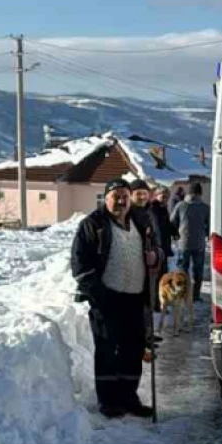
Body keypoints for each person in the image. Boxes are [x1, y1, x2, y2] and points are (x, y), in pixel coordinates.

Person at [71, 179, 153, 419]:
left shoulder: (140, 220)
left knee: (133, 349)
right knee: (108, 350)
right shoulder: (92, 224)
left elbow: (155, 251)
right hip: (106, 299)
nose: (120, 201)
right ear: (105, 198)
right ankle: (109, 401)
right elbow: (80, 264)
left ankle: (129, 398)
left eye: (124, 196)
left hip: (135, 298)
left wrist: (155, 256)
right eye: (115, 196)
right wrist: (98, 294)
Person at [171, 181, 211, 302]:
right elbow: (209, 225)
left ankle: (183, 295)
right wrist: (207, 235)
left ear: (188, 192)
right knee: (198, 271)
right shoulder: (205, 207)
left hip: (183, 243)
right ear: (200, 193)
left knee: (183, 269)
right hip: (199, 243)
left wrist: (176, 234)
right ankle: (195, 296)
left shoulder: (180, 205)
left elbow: (172, 221)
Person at [129, 180, 164, 318]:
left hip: (150, 266)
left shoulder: (148, 212)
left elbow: (155, 236)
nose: (142, 197)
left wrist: (158, 253)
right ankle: (139, 336)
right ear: (130, 195)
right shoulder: (128, 214)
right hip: (134, 268)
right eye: (138, 194)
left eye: (145, 194)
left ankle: (148, 335)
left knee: (149, 301)